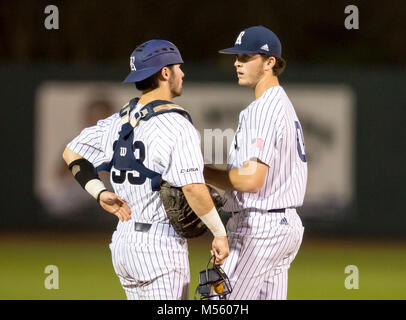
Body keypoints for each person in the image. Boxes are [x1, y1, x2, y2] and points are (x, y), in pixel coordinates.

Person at [62, 39, 229, 300]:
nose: (182, 73)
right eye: (178, 67)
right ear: (165, 72)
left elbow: (71, 152)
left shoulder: (119, 120)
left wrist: (99, 192)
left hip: (124, 241)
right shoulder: (177, 125)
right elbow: (193, 188)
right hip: (159, 245)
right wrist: (219, 233)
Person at [204, 26, 307, 300]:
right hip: (283, 226)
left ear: (269, 62)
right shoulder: (282, 104)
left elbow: (251, 180)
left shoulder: (263, 109)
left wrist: (202, 173)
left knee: (217, 302)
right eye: (236, 57)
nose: (237, 63)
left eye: (246, 57)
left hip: (258, 229)